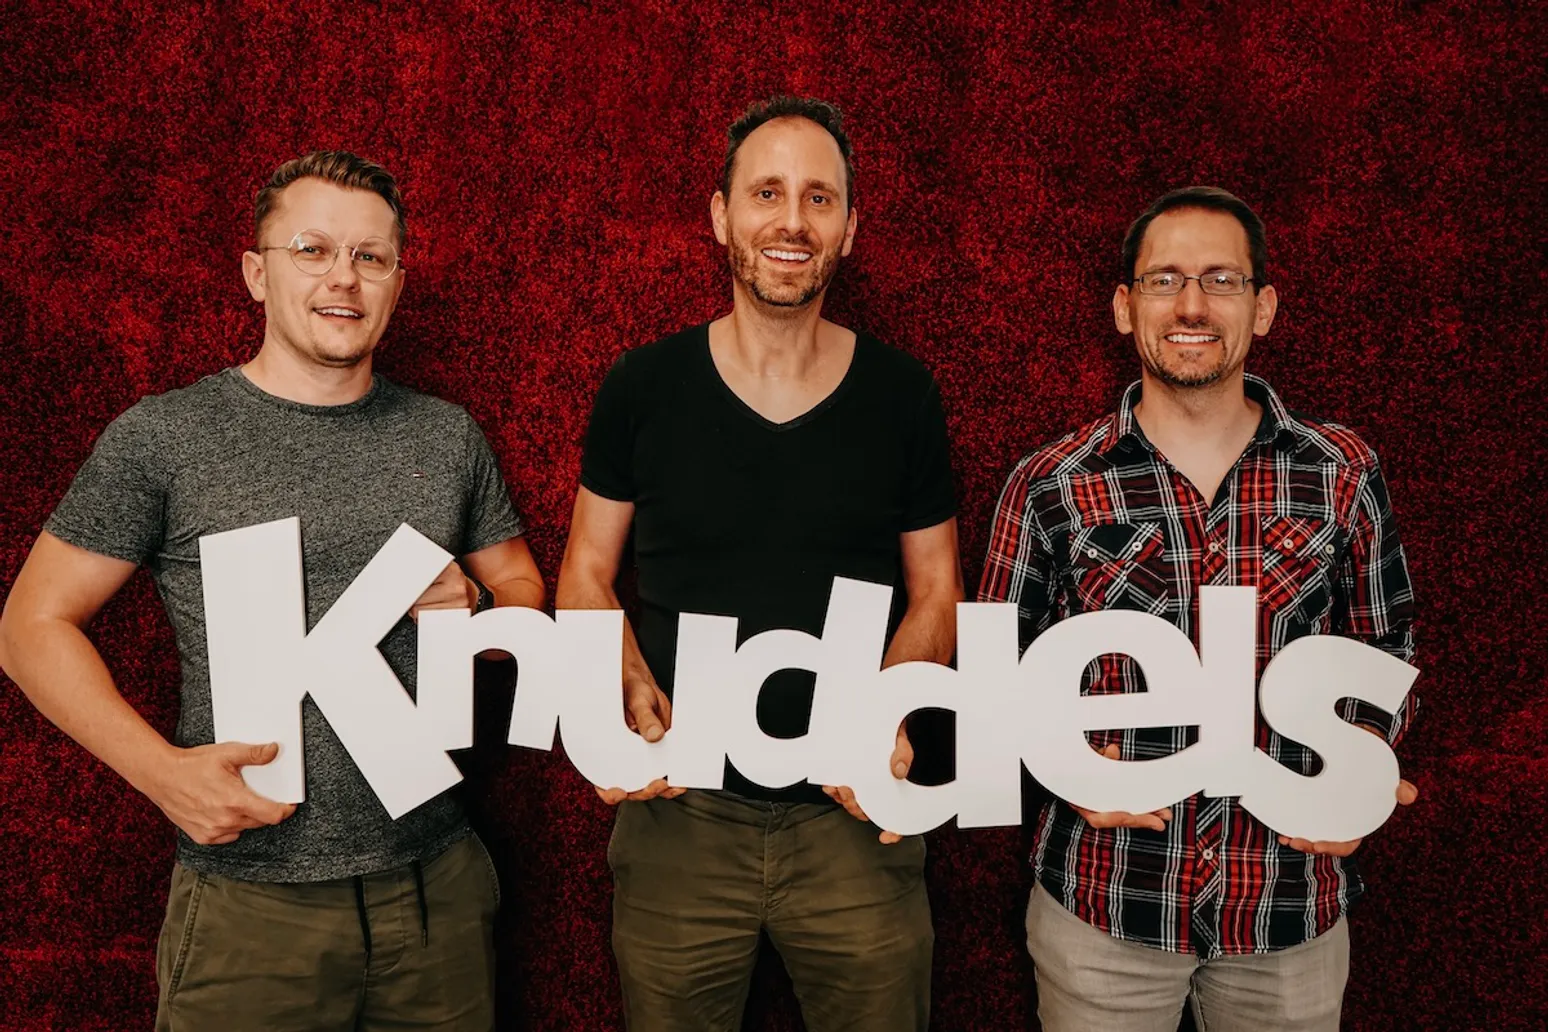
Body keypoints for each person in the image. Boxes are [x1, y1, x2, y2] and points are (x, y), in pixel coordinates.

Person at [0, 150, 544, 1031]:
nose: (344, 277)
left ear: (398, 281)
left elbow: (520, 585)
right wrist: (162, 775)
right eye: (312, 250)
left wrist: (480, 610)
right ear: (257, 274)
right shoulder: (164, 437)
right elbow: (30, 625)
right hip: (251, 906)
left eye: (370, 256)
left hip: (435, 888)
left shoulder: (447, 436)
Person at [555, 96, 963, 1031]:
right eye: (767, 193)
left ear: (850, 228)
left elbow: (938, 587)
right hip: (679, 815)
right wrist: (618, 674)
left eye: (819, 198)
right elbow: (584, 572)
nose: (792, 220)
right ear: (720, 215)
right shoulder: (642, 386)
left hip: (851, 817)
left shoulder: (903, 395)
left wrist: (889, 710)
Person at [978, 186, 1419, 1031]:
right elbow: (991, 673)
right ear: (1124, 307)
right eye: (1164, 280)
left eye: (1220, 280)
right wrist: (1061, 767)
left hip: (1286, 906)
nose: (1190, 305)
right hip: (1105, 902)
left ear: (1263, 308)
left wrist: (1362, 771)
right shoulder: (1051, 484)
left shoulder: (1342, 473)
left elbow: (1386, 646)